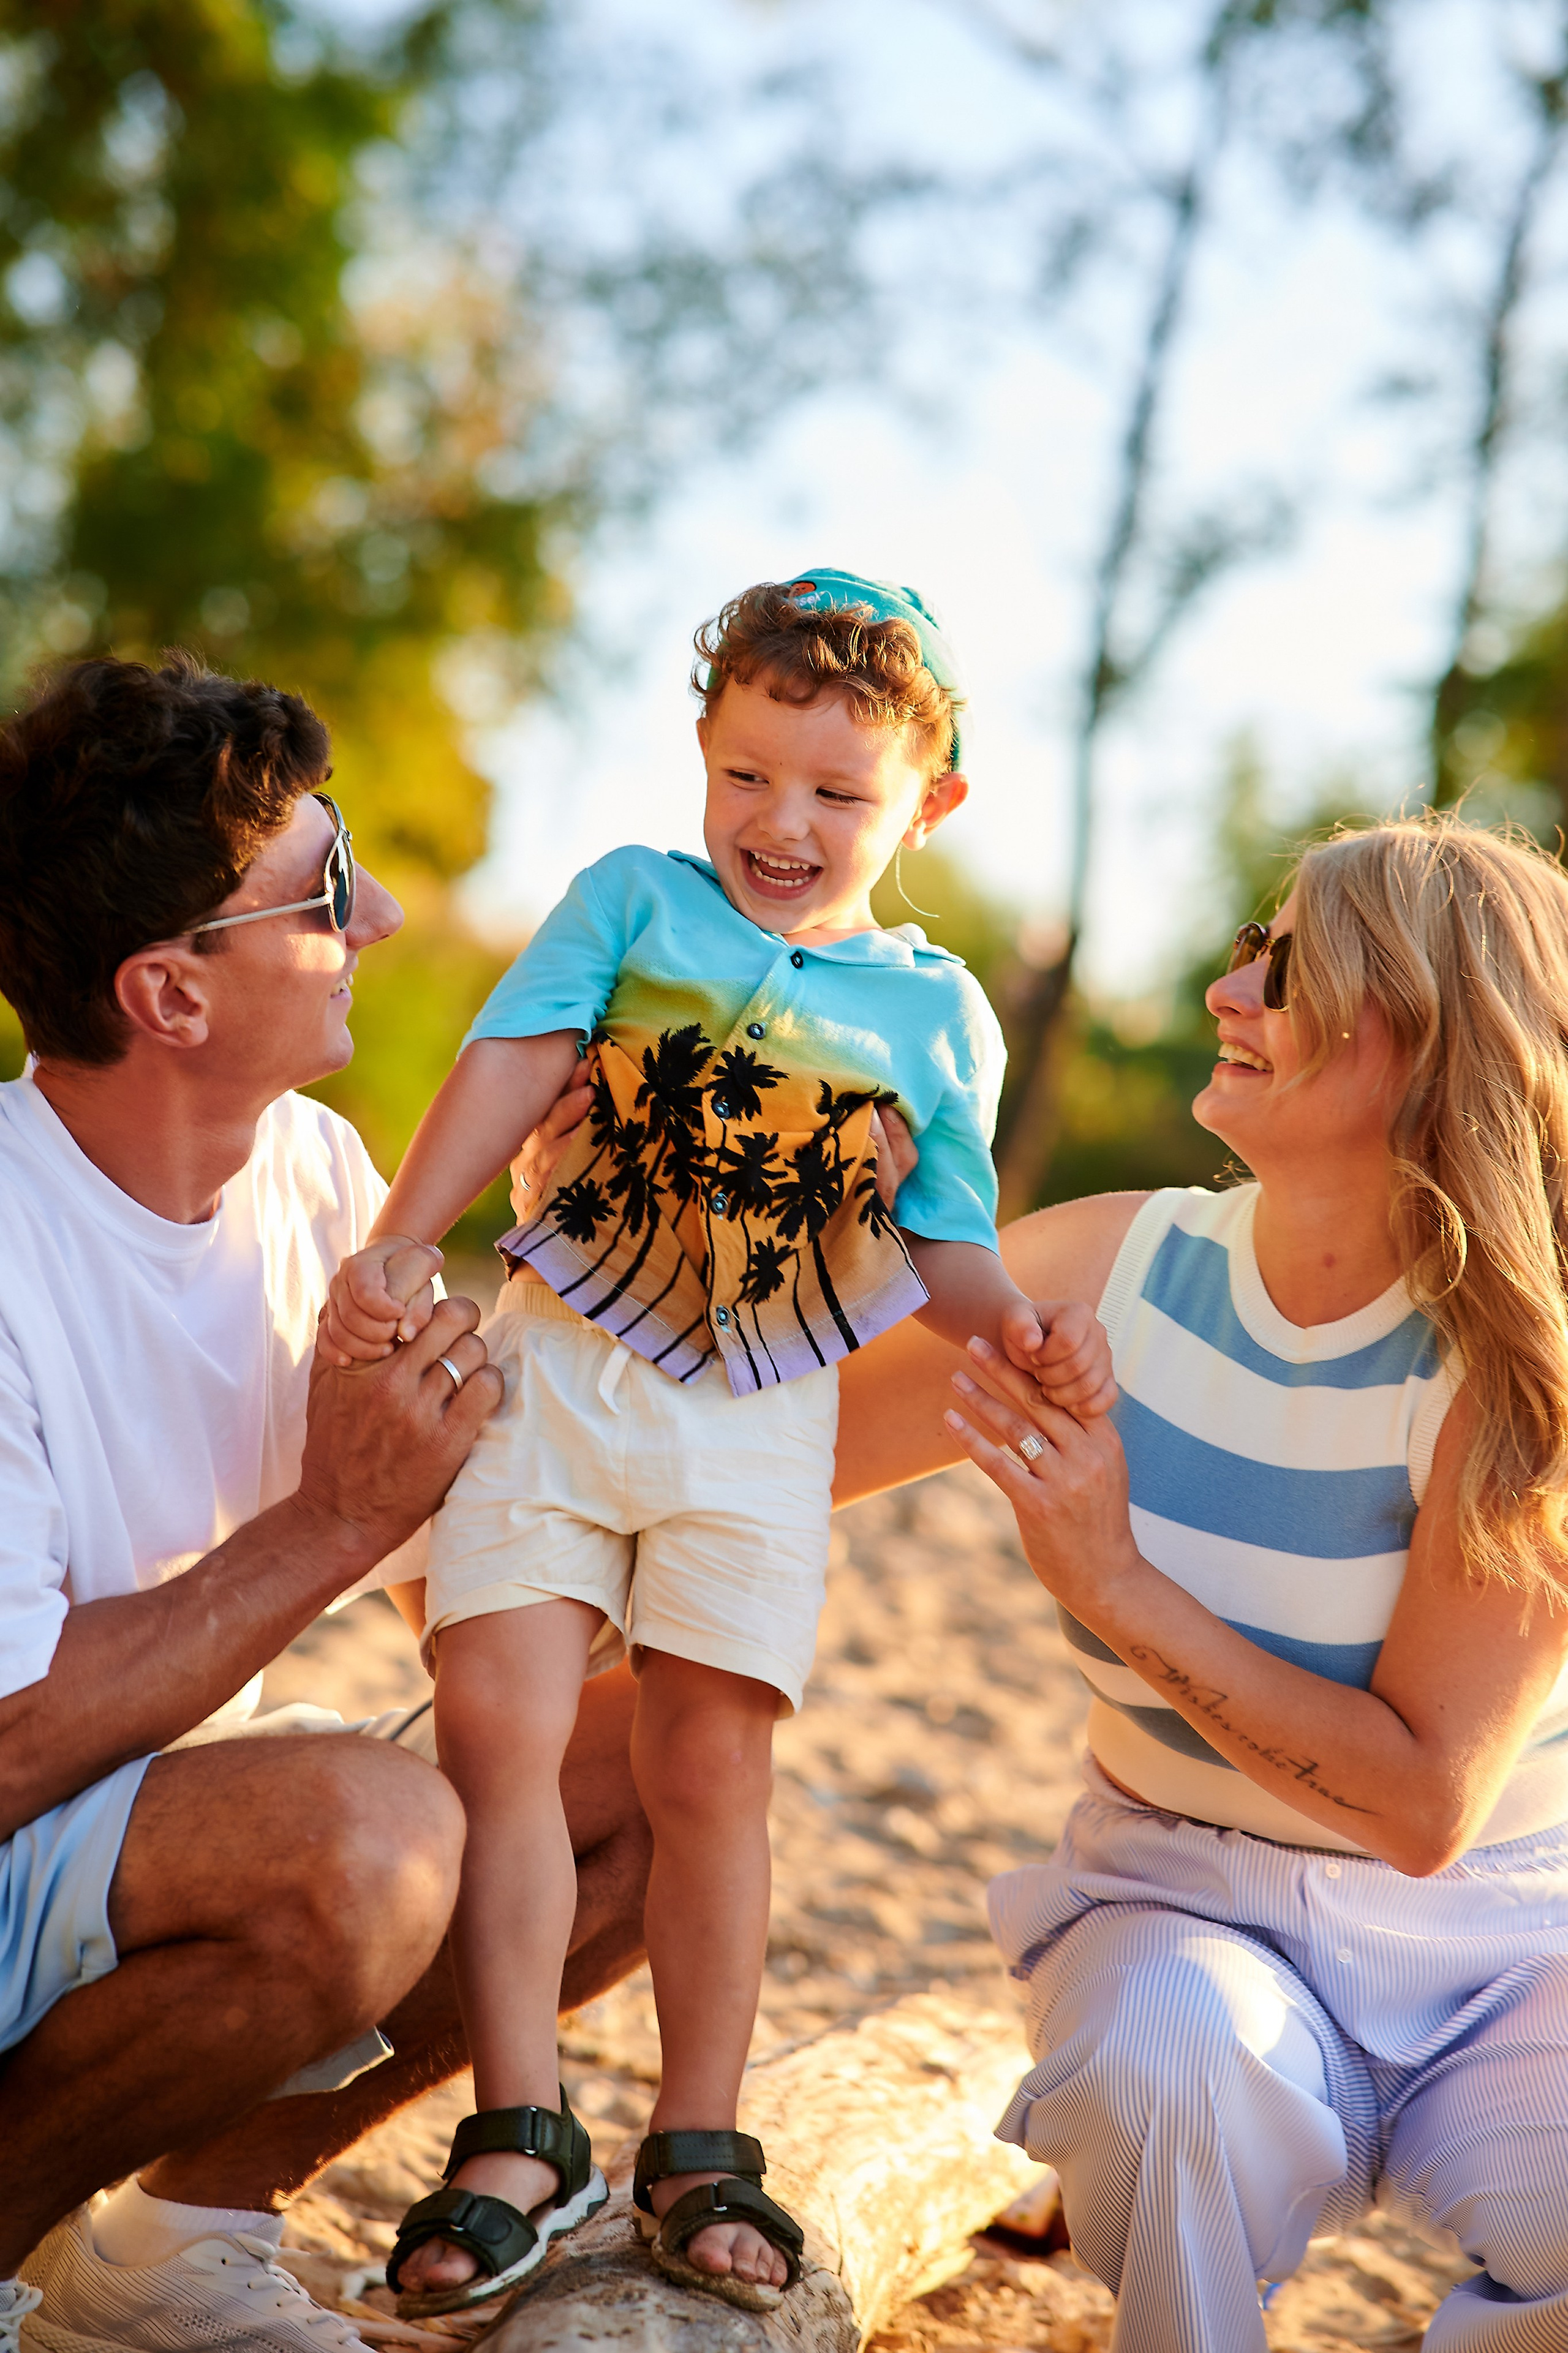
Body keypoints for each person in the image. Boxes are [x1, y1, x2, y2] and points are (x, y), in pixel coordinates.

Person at [318, 571, 1117, 2316]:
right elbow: (515, 1060)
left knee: (707, 1772)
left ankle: (697, 2141)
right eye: (751, 774)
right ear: (702, 750)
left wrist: (1026, 1335)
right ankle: (518, 2125)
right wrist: (403, 1230)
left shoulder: (938, 1014)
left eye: (839, 792)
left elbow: (948, 1236)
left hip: (758, 1428)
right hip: (563, 1367)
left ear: (930, 806)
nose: (785, 822)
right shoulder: (628, 902)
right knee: (498, 1722)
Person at [830, 811, 1568, 2352]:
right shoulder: (1097, 1273)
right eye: (1247, 942)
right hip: (1181, 1912)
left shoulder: (1521, 1368)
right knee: (1159, 2061)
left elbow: (1422, 1807)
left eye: (1287, 964)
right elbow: (771, 1452)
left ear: (1426, 1041)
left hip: (1505, 1959)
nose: (1229, 989)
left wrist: (1113, 1581)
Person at [0, 653, 652, 2353]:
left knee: (653, 1757)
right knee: (370, 1842)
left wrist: (588, 1270)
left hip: (148, 1832)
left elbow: (471, 1600)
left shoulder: (314, 1174)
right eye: (328, 894)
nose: (373, 924)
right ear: (173, 998)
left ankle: (176, 2235)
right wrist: (335, 1526)